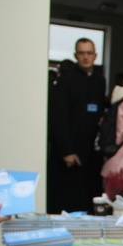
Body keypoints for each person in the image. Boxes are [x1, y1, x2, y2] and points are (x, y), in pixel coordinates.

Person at [47, 38, 106, 213]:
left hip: (92, 148)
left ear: (95, 56)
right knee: (69, 195)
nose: (85, 57)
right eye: (81, 53)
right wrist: (67, 150)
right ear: (75, 56)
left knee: (89, 193)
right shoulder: (66, 80)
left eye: (89, 53)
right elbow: (59, 118)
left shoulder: (99, 80)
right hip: (71, 147)